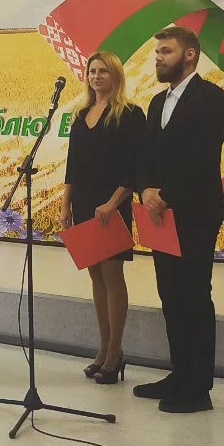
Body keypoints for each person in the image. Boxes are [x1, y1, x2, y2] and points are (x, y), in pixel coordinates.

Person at [134, 25, 224, 414]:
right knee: (170, 295)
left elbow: (203, 159)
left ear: (190, 55)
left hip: (195, 214)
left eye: (166, 51)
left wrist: (166, 195)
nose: (158, 58)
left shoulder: (212, 98)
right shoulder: (158, 102)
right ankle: (180, 374)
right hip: (160, 215)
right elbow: (144, 154)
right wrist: (145, 189)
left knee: (194, 297)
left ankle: (198, 388)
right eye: (157, 52)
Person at [59, 52, 145, 384]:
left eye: (103, 71)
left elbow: (134, 167)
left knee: (112, 275)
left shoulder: (129, 114)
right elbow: (73, 165)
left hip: (112, 205)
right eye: (92, 71)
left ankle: (115, 352)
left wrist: (112, 203)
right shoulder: (81, 115)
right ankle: (104, 348)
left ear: (116, 76)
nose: (96, 76)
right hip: (84, 203)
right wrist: (66, 205)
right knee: (95, 276)